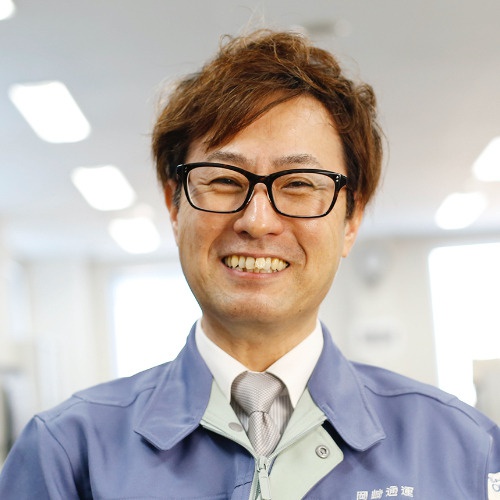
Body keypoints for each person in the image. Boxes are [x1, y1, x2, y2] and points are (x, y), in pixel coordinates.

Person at [0, 29, 499, 500]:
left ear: (352, 219)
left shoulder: (464, 451)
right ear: (175, 206)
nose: (257, 221)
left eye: (299, 184)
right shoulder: (68, 456)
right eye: (223, 180)